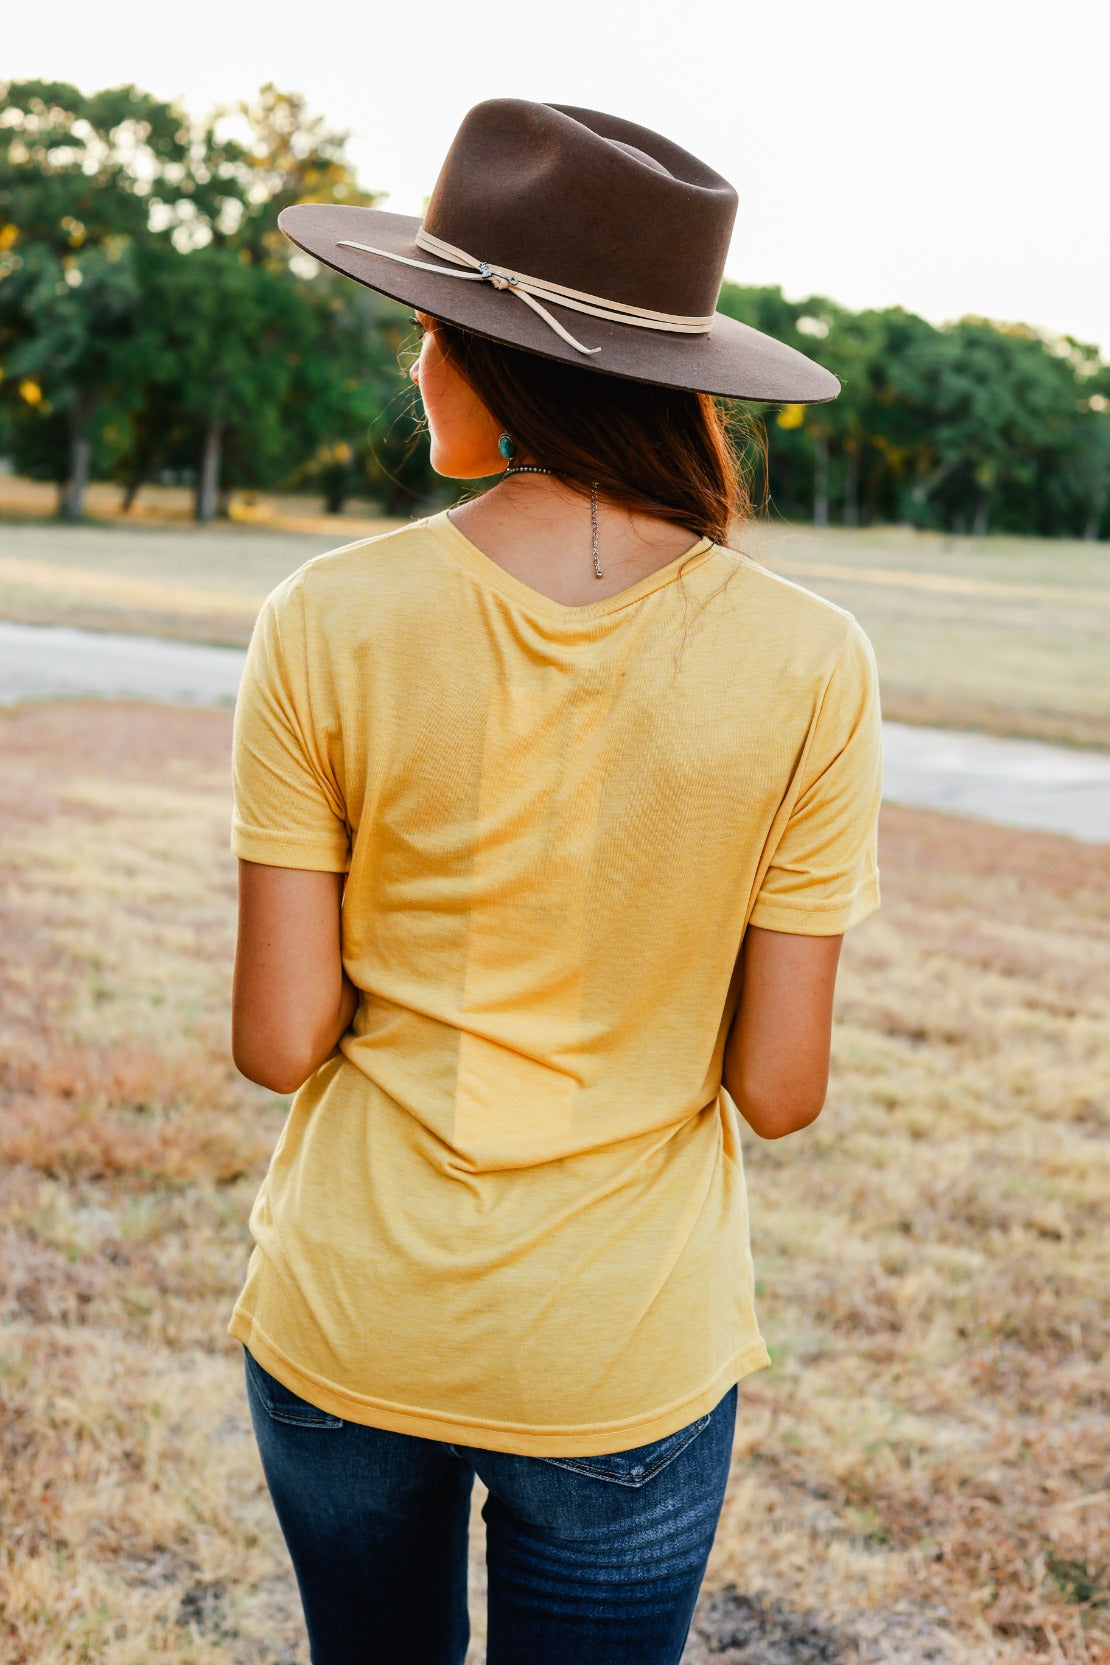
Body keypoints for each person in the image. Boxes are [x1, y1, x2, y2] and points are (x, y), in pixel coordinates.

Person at [228, 99, 882, 1665]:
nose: (416, 360)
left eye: (431, 327)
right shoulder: (809, 661)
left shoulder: (323, 617)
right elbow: (779, 1089)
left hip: (352, 1314)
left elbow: (276, 1042)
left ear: (498, 357)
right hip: (620, 1346)